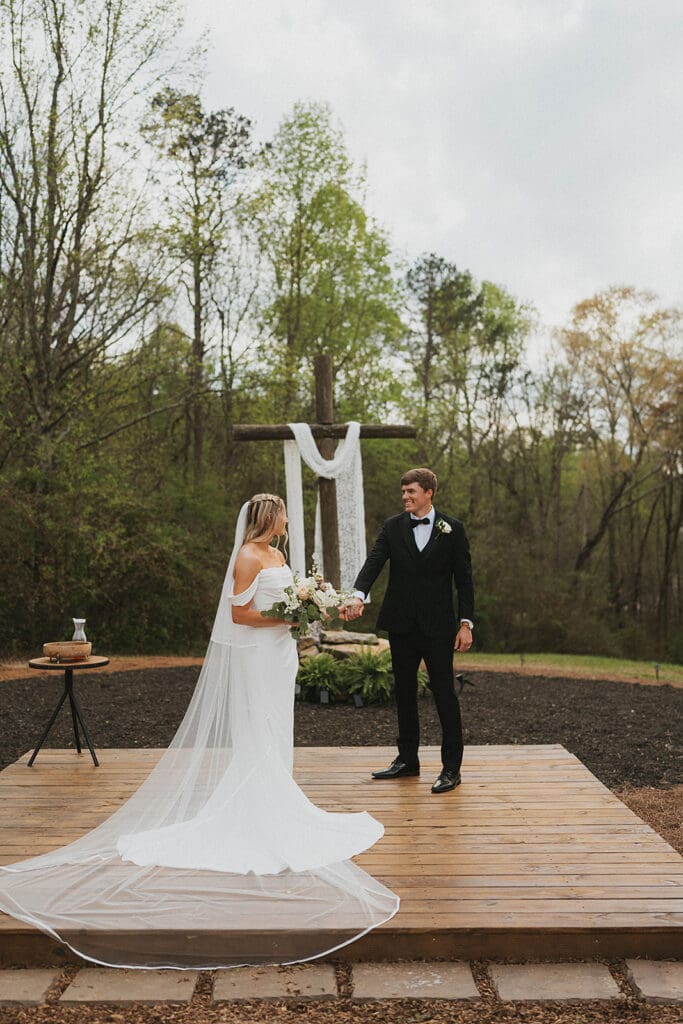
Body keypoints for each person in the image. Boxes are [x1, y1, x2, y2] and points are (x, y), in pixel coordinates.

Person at [0, 494, 398, 969]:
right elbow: (239, 615)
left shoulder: (280, 555)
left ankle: (277, 802)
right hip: (256, 655)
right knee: (258, 730)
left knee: (277, 731)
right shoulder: (248, 556)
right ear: (267, 518)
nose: (287, 517)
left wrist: (309, 609)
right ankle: (257, 814)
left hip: (279, 656)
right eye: (283, 512)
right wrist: (292, 616)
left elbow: (291, 601)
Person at [342, 468, 474, 794]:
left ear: (429, 492)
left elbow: (465, 581)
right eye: (403, 492)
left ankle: (451, 769)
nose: (405, 497)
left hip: (438, 627)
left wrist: (465, 624)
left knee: (444, 695)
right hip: (401, 625)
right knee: (403, 693)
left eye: (411, 492)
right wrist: (358, 596)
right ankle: (407, 760)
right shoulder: (392, 526)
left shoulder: (452, 529)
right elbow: (374, 562)